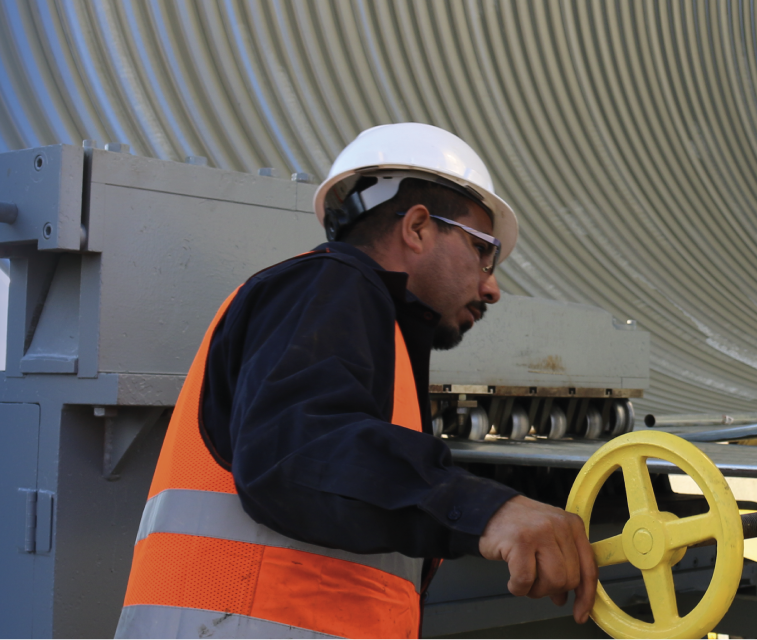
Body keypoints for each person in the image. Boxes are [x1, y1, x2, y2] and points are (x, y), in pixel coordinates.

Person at [116, 123, 598, 639]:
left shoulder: (370, 326)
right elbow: (298, 447)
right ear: (418, 228)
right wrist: (488, 510)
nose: (492, 286)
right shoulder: (327, 284)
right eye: (484, 251)